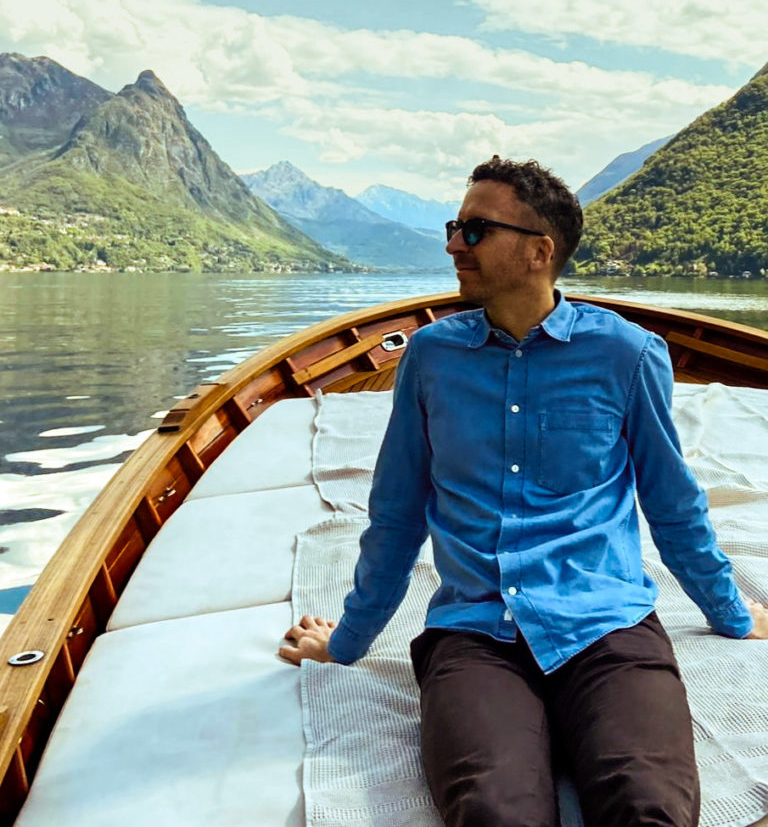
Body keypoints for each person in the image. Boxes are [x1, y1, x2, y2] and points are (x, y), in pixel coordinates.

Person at [279, 155, 768, 827]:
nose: (454, 244)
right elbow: (395, 515)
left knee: (649, 808)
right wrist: (349, 642)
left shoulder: (628, 354)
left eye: (475, 230)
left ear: (539, 251)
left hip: (608, 628)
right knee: (493, 812)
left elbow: (672, 503)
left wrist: (733, 613)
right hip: (475, 636)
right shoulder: (428, 358)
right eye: (455, 227)